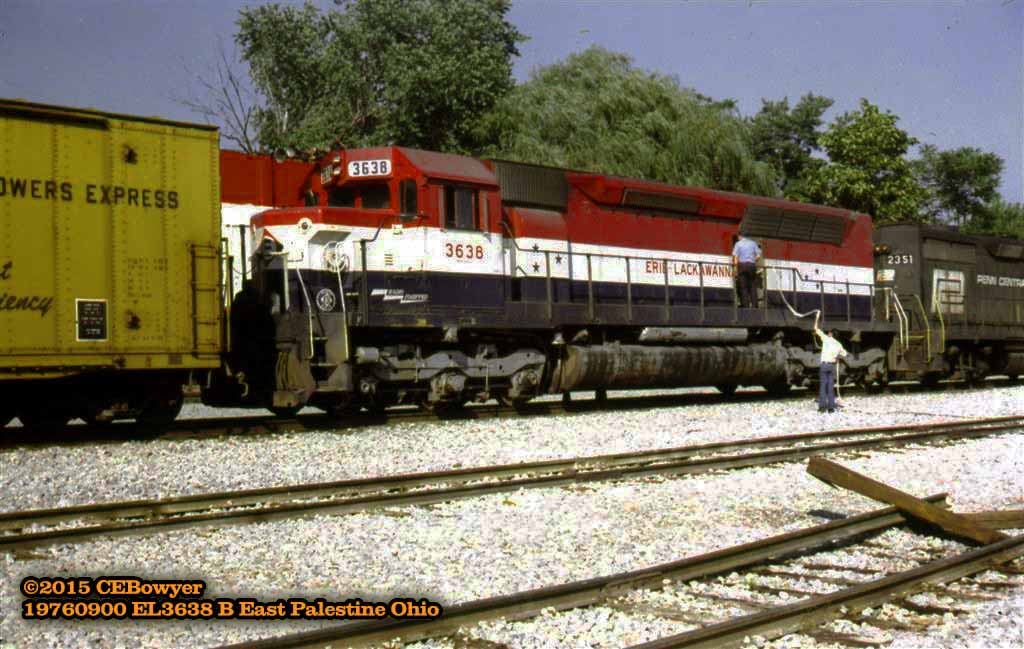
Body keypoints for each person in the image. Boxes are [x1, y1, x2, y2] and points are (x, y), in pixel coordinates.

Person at [814, 326, 848, 413]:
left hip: (824, 365)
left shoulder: (826, 339)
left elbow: (817, 330)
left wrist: (816, 327)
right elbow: (845, 354)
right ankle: (831, 408)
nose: (828, 333)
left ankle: (822, 407)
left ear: (831, 334)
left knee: (823, 386)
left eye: (829, 332)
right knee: (830, 387)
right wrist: (837, 357)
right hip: (832, 366)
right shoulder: (838, 344)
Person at [732, 234, 762, 308]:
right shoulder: (753, 243)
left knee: (743, 287)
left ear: (740, 236)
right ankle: (755, 306)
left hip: (742, 265)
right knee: (753, 286)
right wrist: (752, 260)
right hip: (751, 265)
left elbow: (735, 257)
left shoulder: (738, 244)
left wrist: (735, 269)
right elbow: (758, 256)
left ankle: (745, 306)